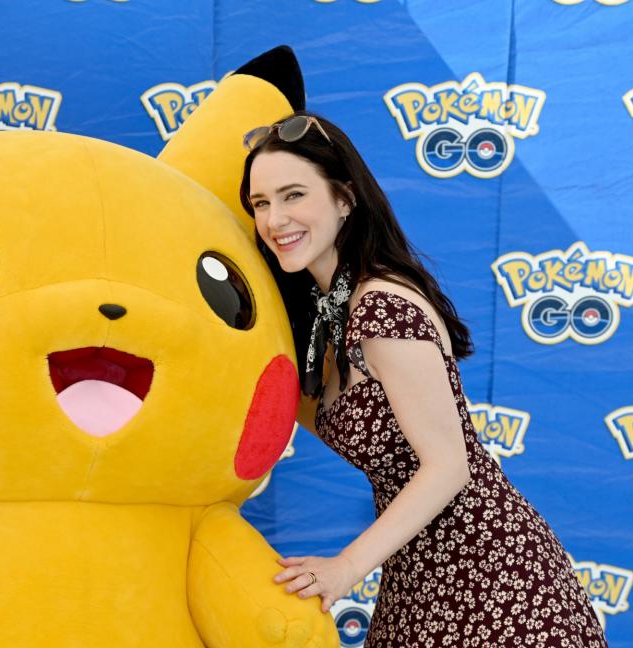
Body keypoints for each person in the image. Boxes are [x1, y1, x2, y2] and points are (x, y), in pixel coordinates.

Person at [239, 112, 607, 647]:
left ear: (345, 199)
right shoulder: (329, 318)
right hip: (419, 575)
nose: (275, 219)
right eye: (261, 203)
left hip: (489, 578)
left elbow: (448, 465)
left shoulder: (379, 304)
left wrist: (345, 568)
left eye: (293, 195)